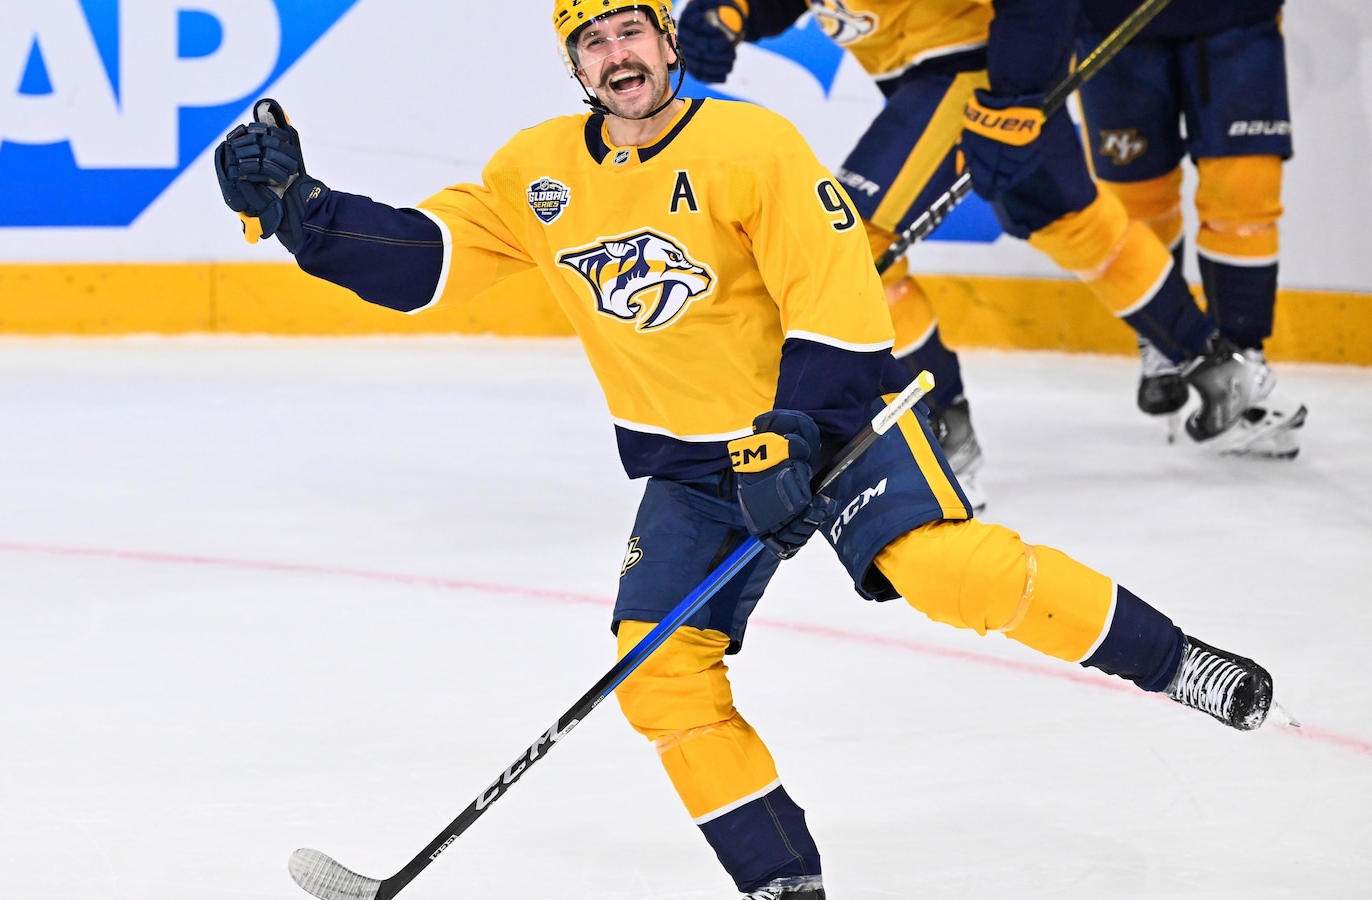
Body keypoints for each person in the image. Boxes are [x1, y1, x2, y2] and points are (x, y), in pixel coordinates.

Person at [213, 3, 1276, 897]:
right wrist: (305, 214)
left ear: (667, 45)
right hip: (690, 465)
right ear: (573, 64)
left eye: (633, 31)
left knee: (951, 573)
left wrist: (792, 433)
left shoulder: (753, 145)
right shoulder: (536, 172)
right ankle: (781, 882)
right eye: (594, 45)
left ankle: (1172, 661)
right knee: (660, 680)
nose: (618, 57)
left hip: (833, 430)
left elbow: (840, 298)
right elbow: (424, 263)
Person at [674, 0, 1307, 503]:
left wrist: (1014, 100)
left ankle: (943, 438)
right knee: (1077, 225)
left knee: (847, 249)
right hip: (978, 74)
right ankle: (1216, 366)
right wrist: (730, 9)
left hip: (975, 74)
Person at [1077, 0, 1305, 457]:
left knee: (1244, 198)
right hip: (1111, 19)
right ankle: (1165, 343)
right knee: (1139, 201)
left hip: (1237, 17)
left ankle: (1242, 365)